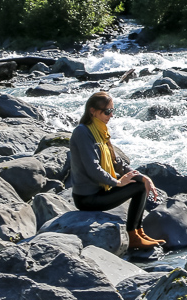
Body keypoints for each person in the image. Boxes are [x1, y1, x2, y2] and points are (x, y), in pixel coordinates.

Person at [70, 91, 164, 249]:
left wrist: (141, 176)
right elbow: (93, 168)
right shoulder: (82, 132)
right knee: (138, 188)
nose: (111, 115)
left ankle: (139, 232)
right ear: (92, 111)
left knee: (141, 183)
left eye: (112, 110)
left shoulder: (100, 130)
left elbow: (116, 163)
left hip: (100, 191)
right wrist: (117, 183)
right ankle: (133, 236)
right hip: (87, 198)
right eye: (107, 111)